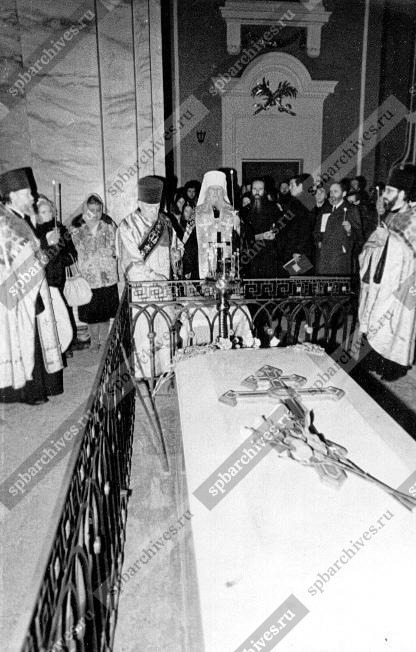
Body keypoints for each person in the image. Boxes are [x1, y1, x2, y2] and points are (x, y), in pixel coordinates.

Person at [0, 168, 64, 404]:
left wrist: (47, 245)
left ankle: (41, 387)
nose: (32, 197)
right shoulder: (6, 222)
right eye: (27, 193)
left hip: (30, 286)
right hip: (16, 292)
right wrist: (46, 247)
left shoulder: (21, 217)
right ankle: (27, 392)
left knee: (35, 335)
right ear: (13, 195)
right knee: (23, 338)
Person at [116, 176, 180, 378]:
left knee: (165, 330)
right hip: (143, 289)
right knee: (145, 331)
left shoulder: (166, 222)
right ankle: (145, 375)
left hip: (164, 287)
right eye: (149, 207)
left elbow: (176, 248)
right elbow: (130, 262)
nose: (154, 211)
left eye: (157, 207)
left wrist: (177, 254)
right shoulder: (127, 226)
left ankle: (167, 371)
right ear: (139, 203)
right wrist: (154, 276)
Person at [358, 164, 416, 380]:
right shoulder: (390, 216)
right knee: (373, 319)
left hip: (402, 285)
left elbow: (410, 254)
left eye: (390, 191)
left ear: (403, 193)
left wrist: (388, 239)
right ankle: (372, 361)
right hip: (379, 282)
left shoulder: (413, 218)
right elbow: (371, 247)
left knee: (394, 325)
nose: (385, 195)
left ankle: (392, 368)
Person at [71, 195, 119, 352]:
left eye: (98, 210)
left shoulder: (109, 227)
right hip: (89, 278)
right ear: (85, 211)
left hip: (106, 277)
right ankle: (93, 341)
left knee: (104, 313)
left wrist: (112, 252)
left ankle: (104, 341)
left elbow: (118, 246)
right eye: (91, 210)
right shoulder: (78, 230)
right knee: (91, 315)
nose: (95, 213)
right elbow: (73, 250)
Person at [194, 170, 240, 279]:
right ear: (207, 192)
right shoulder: (196, 212)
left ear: (223, 192)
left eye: (218, 189)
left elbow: (242, 239)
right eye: (212, 189)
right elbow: (187, 239)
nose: (215, 193)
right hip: (201, 263)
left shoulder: (232, 212)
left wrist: (238, 226)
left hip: (226, 263)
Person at [314, 182, 363, 275]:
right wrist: (318, 240)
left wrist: (349, 231)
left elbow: (359, 237)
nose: (332, 194)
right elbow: (317, 230)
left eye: (335, 191)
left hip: (339, 258)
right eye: (331, 192)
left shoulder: (351, 209)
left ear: (343, 194)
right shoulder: (325, 209)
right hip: (323, 256)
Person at [243, 178, 281, 278]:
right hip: (251, 253)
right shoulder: (245, 210)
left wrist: (274, 233)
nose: (257, 192)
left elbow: (280, 225)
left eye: (260, 189)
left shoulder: (273, 208)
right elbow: (244, 233)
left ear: (264, 191)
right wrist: (260, 236)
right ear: (251, 190)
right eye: (254, 189)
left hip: (268, 253)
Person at [278, 173, 315, 275]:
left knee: (298, 278)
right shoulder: (295, 202)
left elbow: (305, 228)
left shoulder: (306, 203)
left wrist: (298, 250)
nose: (289, 188)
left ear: (301, 186)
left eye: (292, 185)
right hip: (293, 249)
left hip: (299, 252)